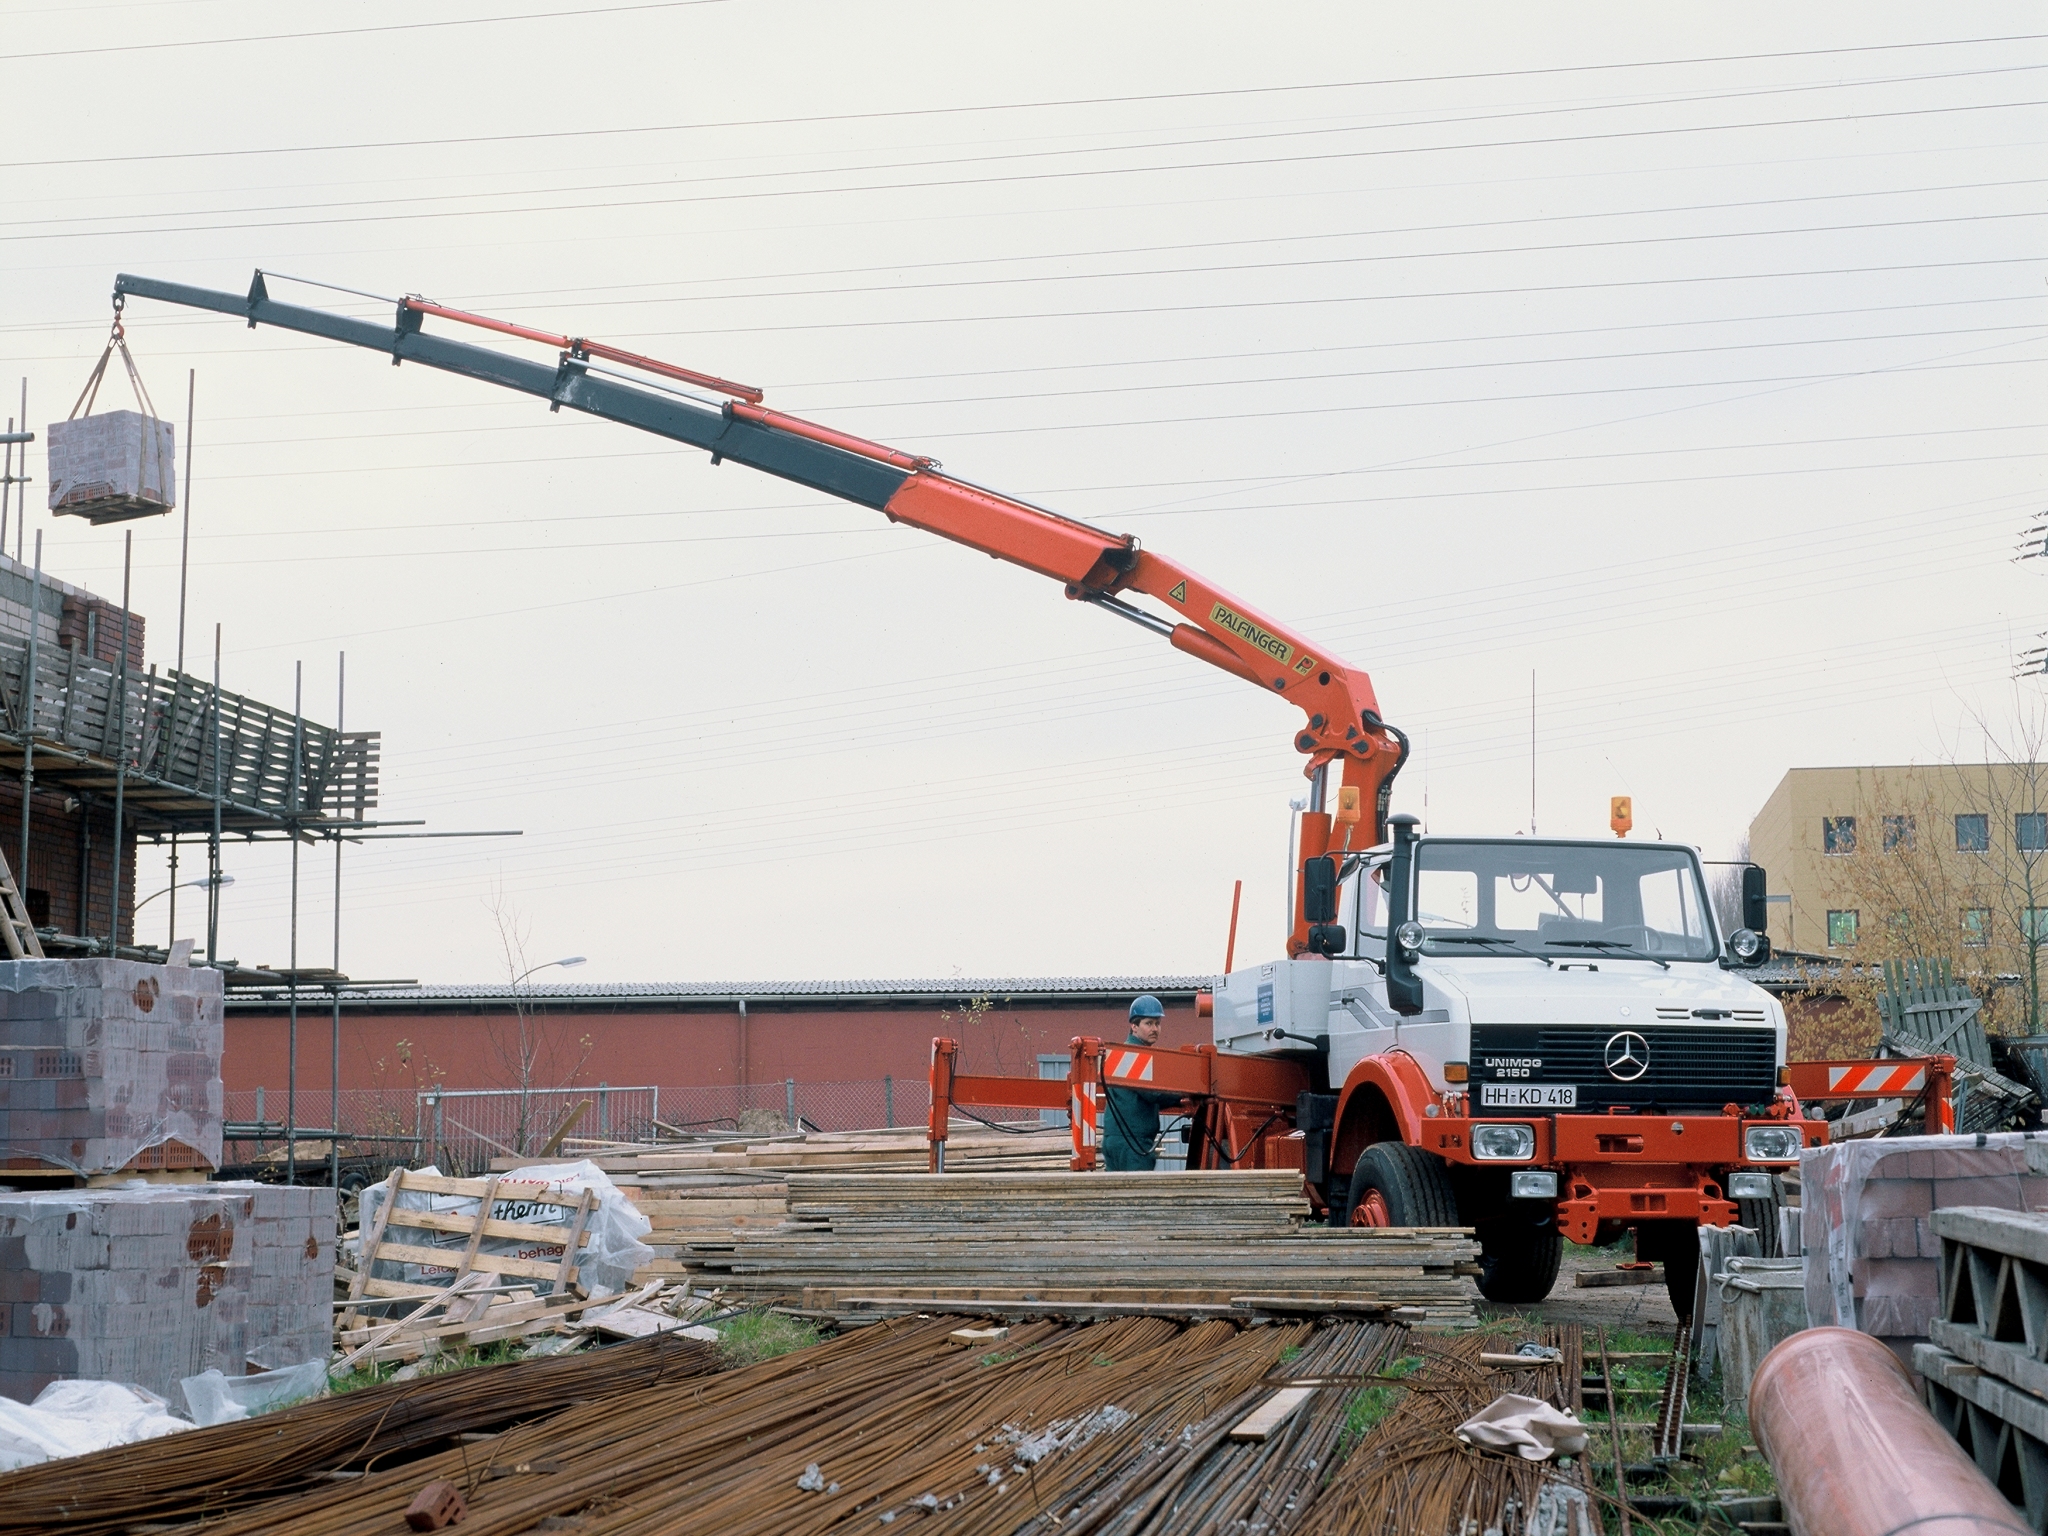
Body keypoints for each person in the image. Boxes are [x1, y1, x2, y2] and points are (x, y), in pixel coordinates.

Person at [1101, 995, 1181, 1172]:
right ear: (1134, 1026)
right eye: (1149, 1023)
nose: (1155, 1029)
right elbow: (1154, 1093)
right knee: (1137, 1196)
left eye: (1157, 1023)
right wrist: (1185, 1095)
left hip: (1115, 1139)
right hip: (1133, 1142)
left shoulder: (1123, 1053)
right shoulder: (1136, 1056)